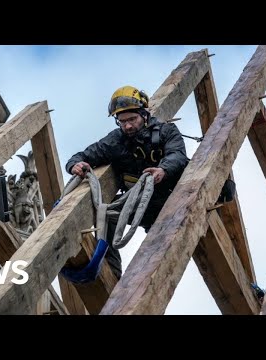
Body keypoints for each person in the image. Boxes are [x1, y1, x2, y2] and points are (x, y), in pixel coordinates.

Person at [65, 85, 189, 279]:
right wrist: (75, 164)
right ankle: (111, 274)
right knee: (106, 217)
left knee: (159, 253)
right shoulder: (116, 140)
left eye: (132, 119)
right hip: (140, 204)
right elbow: (85, 155)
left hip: (171, 200)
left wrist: (163, 170)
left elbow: (178, 155)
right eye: (122, 122)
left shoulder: (166, 131)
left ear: (144, 114)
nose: (128, 126)